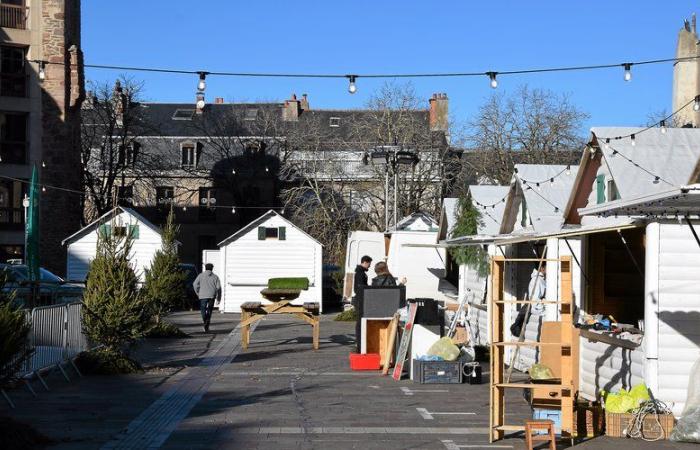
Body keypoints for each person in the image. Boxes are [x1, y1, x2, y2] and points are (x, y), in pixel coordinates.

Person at [510, 265, 546, 337]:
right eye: (547, 266)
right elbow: (535, 301)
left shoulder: (541, 279)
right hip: (537, 309)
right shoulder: (537, 280)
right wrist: (545, 309)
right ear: (542, 268)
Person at [193, 263, 221, 332]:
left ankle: (205, 321)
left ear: (205, 268)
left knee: (203, 309)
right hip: (212, 296)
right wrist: (218, 298)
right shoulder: (215, 277)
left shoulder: (200, 276)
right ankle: (207, 324)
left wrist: (198, 293)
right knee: (209, 310)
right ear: (212, 268)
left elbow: (195, 284)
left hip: (202, 295)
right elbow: (219, 288)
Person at [353, 255, 372, 353]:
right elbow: (360, 287)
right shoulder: (360, 273)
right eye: (369, 264)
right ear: (365, 262)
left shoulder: (360, 272)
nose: (369, 266)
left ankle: (360, 344)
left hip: (360, 298)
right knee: (360, 323)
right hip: (360, 299)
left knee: (360, 322)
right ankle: (359, 345)